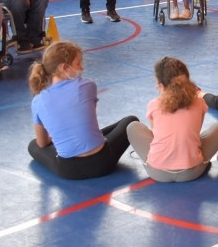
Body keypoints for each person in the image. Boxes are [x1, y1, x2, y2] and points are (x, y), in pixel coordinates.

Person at [28, 41, 138, 179]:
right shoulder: (87, 85)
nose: (82, 68)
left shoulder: (38, 101)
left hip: (68, 170)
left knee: (33, 145)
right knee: (130, 122)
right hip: (102, 163)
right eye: (78, 63)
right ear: (64, 67)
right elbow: (87, 118)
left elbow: (42, 143)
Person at [127, 57, 218, 182]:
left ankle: (159, 160)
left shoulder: (154, 104)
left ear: (160, 86)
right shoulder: (199, 103)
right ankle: (192, 159)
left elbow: (155, 134)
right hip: (193, 172)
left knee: (132, 127)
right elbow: (195, 134)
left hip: (157, 172)